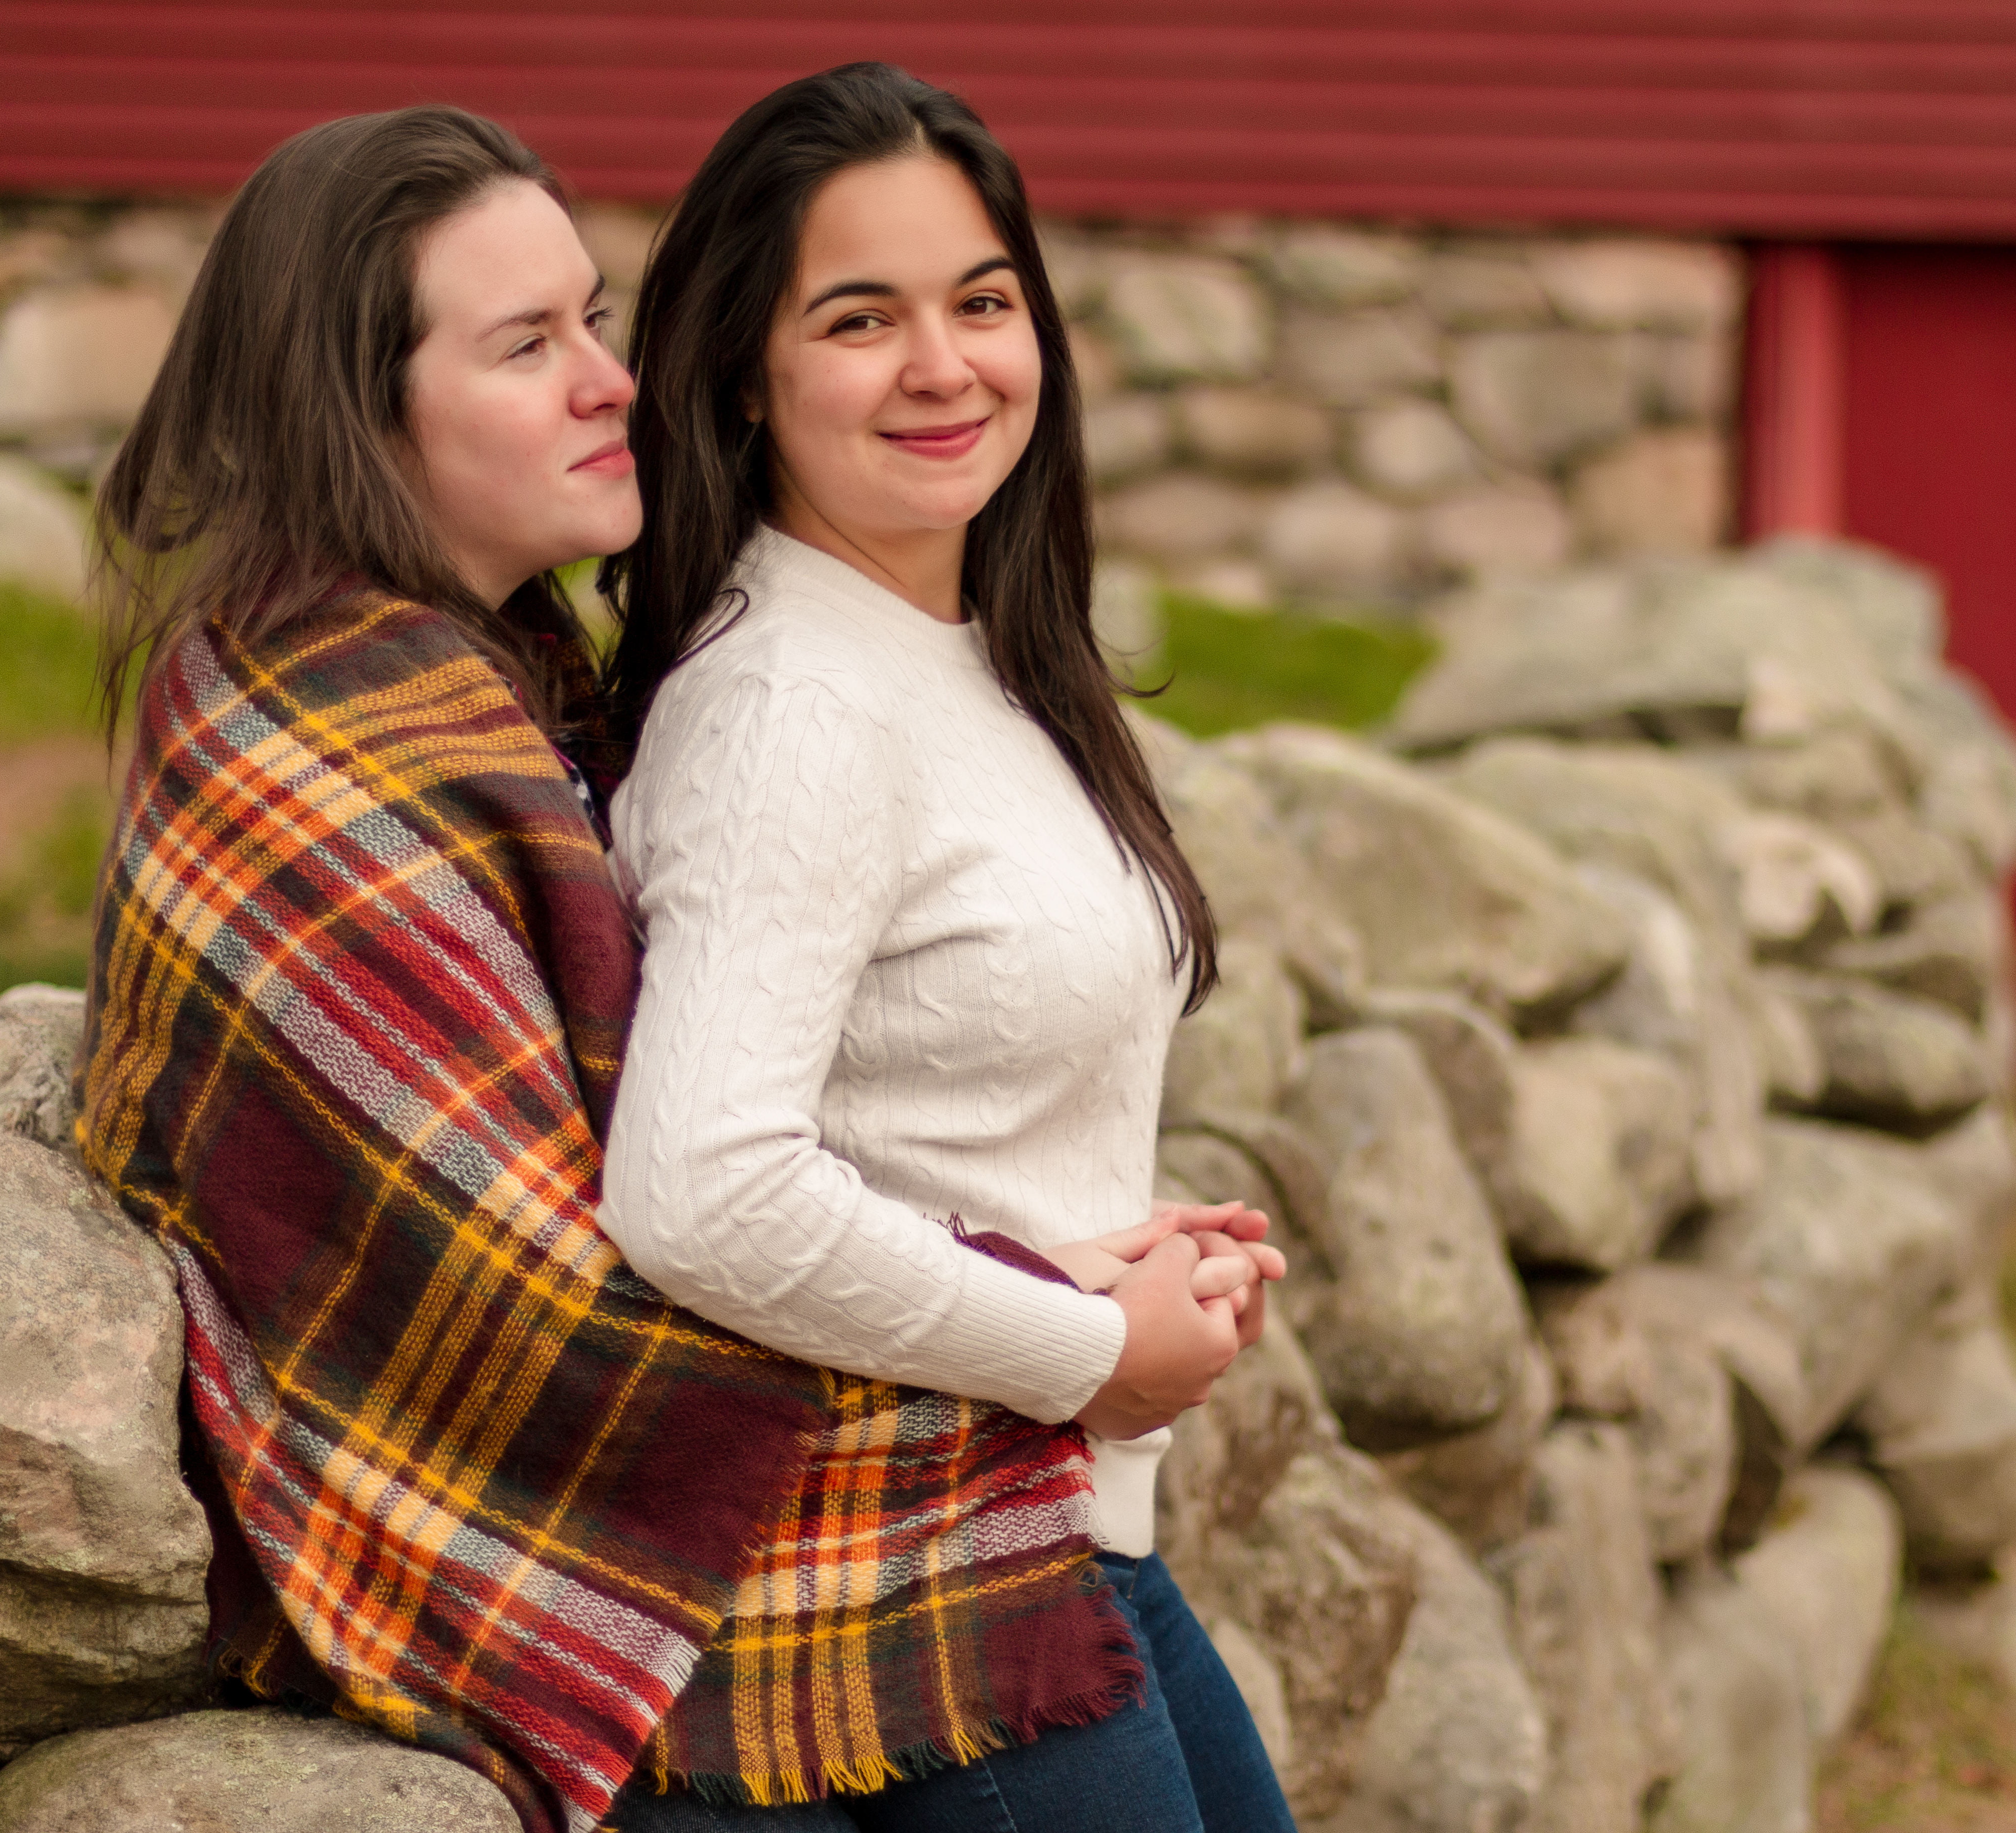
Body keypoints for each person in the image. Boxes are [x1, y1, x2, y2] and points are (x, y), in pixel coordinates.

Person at [77, 103, 1250, 1833]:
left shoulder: (508, 689)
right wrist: (1070, 1331)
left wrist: (1057, 1278)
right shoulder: (329, 760)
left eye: (596, 321)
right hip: (767, 1591)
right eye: (526, 344)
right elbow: (580, 1262)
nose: (606, 384)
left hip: (950, 1535)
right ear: (357, 407)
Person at [596, 62, 1298, 1833]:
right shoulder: (794, 705)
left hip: (1038, 1534)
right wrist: (1086, 1339)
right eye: (860, 319)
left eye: (982, 302)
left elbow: (902, 1119)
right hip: (895, 1584)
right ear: (743, 373)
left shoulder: (972, 655)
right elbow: (702, 1193)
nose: (944, 365)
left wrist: (1107, 1253)